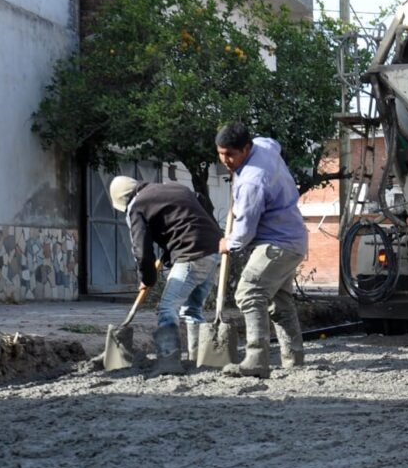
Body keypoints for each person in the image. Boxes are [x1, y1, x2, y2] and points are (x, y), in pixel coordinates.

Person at [215, 121, 308, 378]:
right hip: (294, 240)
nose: (225, 160)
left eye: (230, 154)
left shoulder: (252, 182)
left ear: (246, 148)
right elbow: (272, 142)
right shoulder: (263, 146)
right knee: (280, 302)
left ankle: (256, 359)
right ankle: (294, 358)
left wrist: (228, 243)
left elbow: (245, 232)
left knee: (249, 292)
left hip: (277, 244)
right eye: (221, 153)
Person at [108, 176, 223, 375]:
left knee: (167, 308)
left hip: (191, 253)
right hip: (215, 249)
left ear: (124, 200)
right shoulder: (175, 188)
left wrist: (147, 278)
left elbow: (141, 250)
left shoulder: (137, 205)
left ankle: (169, 360)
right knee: (192, 309)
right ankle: (197, 359)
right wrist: (171, 248)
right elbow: (197, 205)